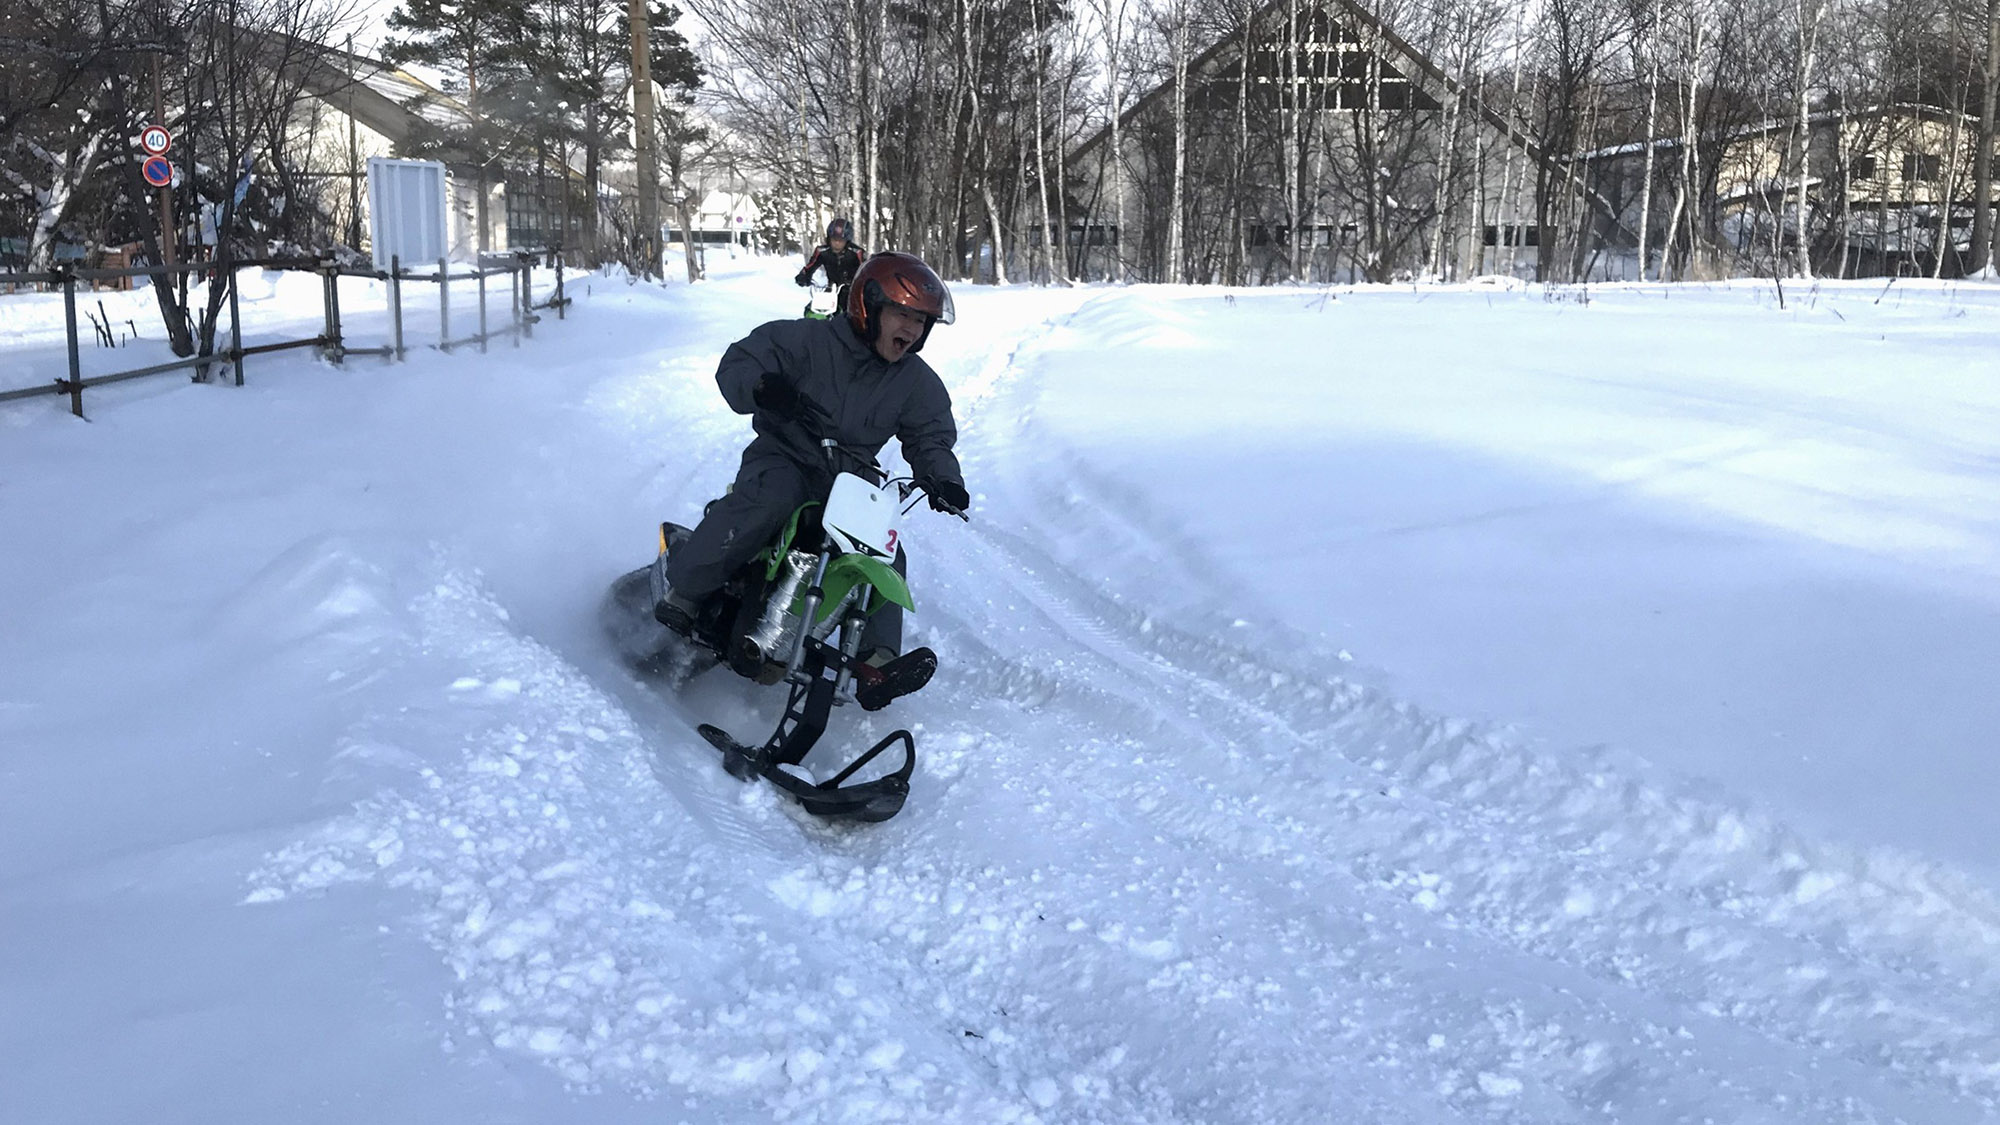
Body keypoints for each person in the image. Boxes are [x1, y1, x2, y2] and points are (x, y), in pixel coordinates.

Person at [658, 252, 970, 706]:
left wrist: (943, 478)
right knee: (770, 500)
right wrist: (763, 388)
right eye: (902, 314)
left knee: (884, 550)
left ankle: (876, 663)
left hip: (850, 479)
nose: (911, 329)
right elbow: (739, 363)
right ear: (870, 305)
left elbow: (930, 438)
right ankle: (687, 588)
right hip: (784, 456)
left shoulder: (914, 381)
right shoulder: (805, 341)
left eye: (921, 321)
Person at [795, 218, 865, 290]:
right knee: (816, 301)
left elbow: (866, 271)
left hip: (854, 291)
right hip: (831, 289)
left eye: (841, 240)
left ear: (847, 241)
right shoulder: (822, 252)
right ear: (829, 238)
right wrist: (803, 276)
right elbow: (810, 267)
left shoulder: (856, 252)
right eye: (834, 239)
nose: (837, 243)